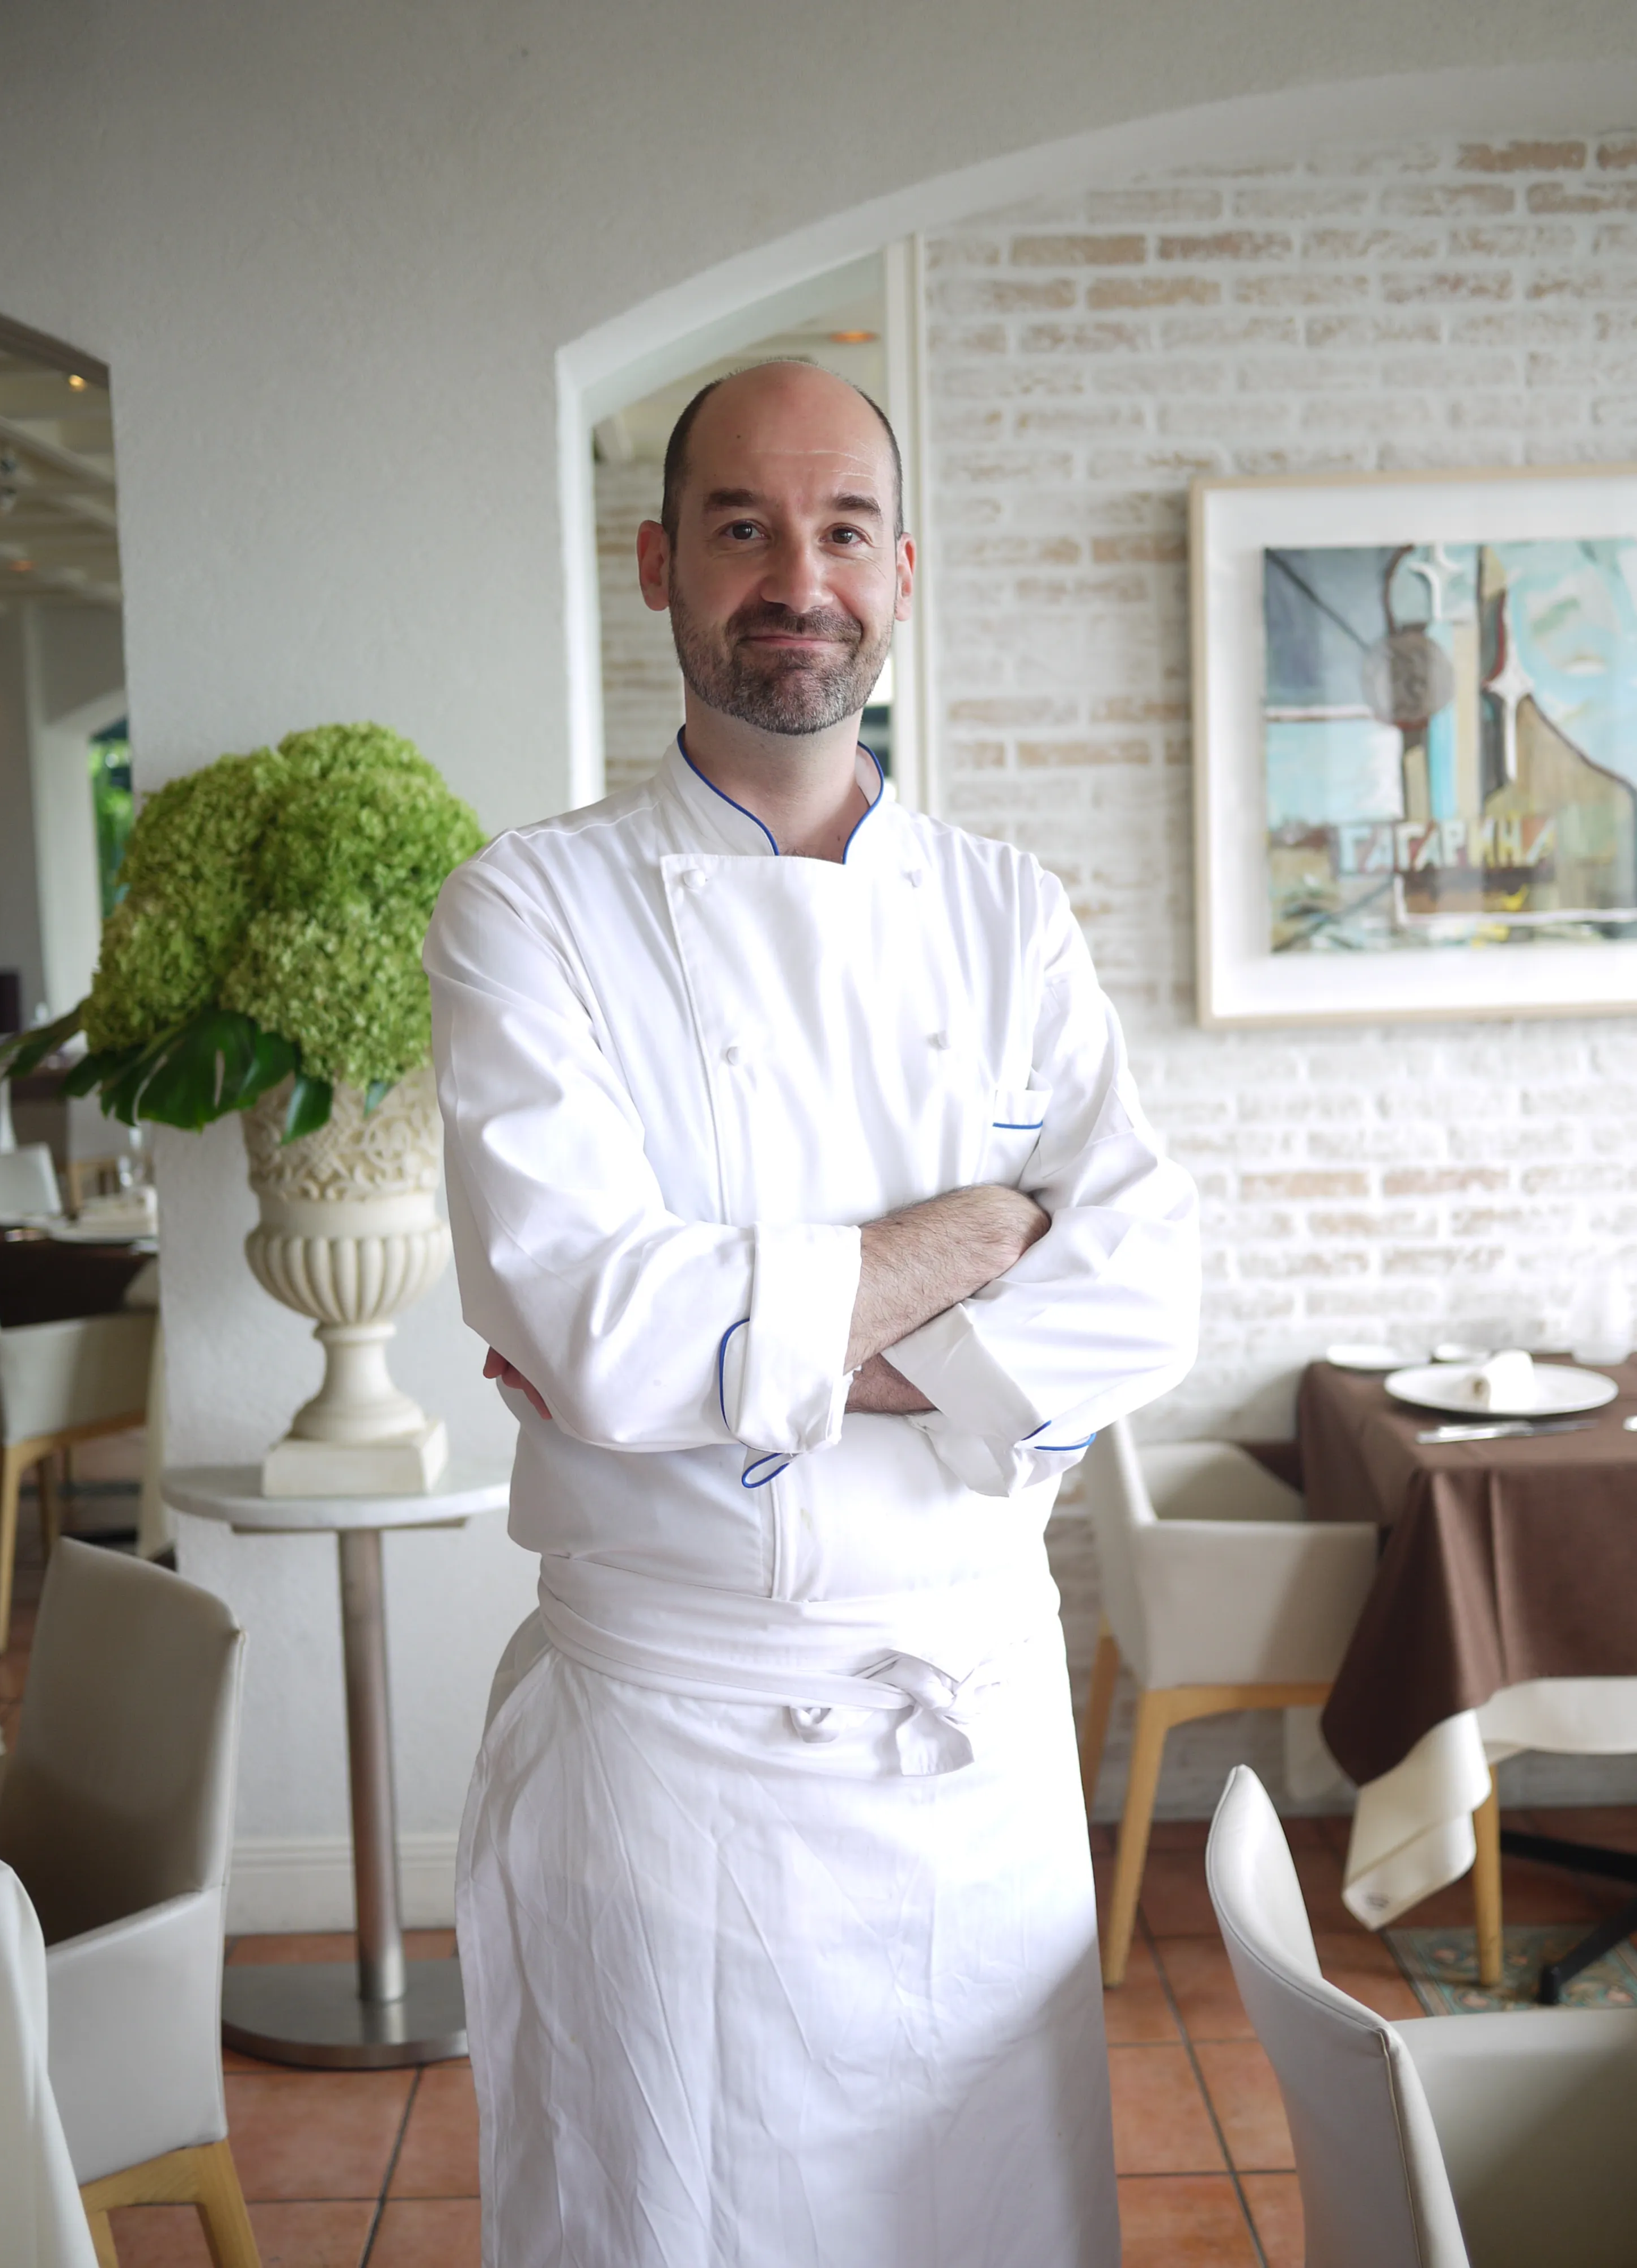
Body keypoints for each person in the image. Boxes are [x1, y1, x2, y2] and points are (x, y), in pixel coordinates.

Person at [424, 358, 1199, 2268]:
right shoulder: (528, 914)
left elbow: (1147, 1286)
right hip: (670, 1770)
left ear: (903, 572)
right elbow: (600, 1331)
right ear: (658, 566)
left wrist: (748, 1348)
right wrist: (988, 1231)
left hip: (975, 1764)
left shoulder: (1010, 917)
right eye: (743, 528)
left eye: (846, 530)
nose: (800, 579)